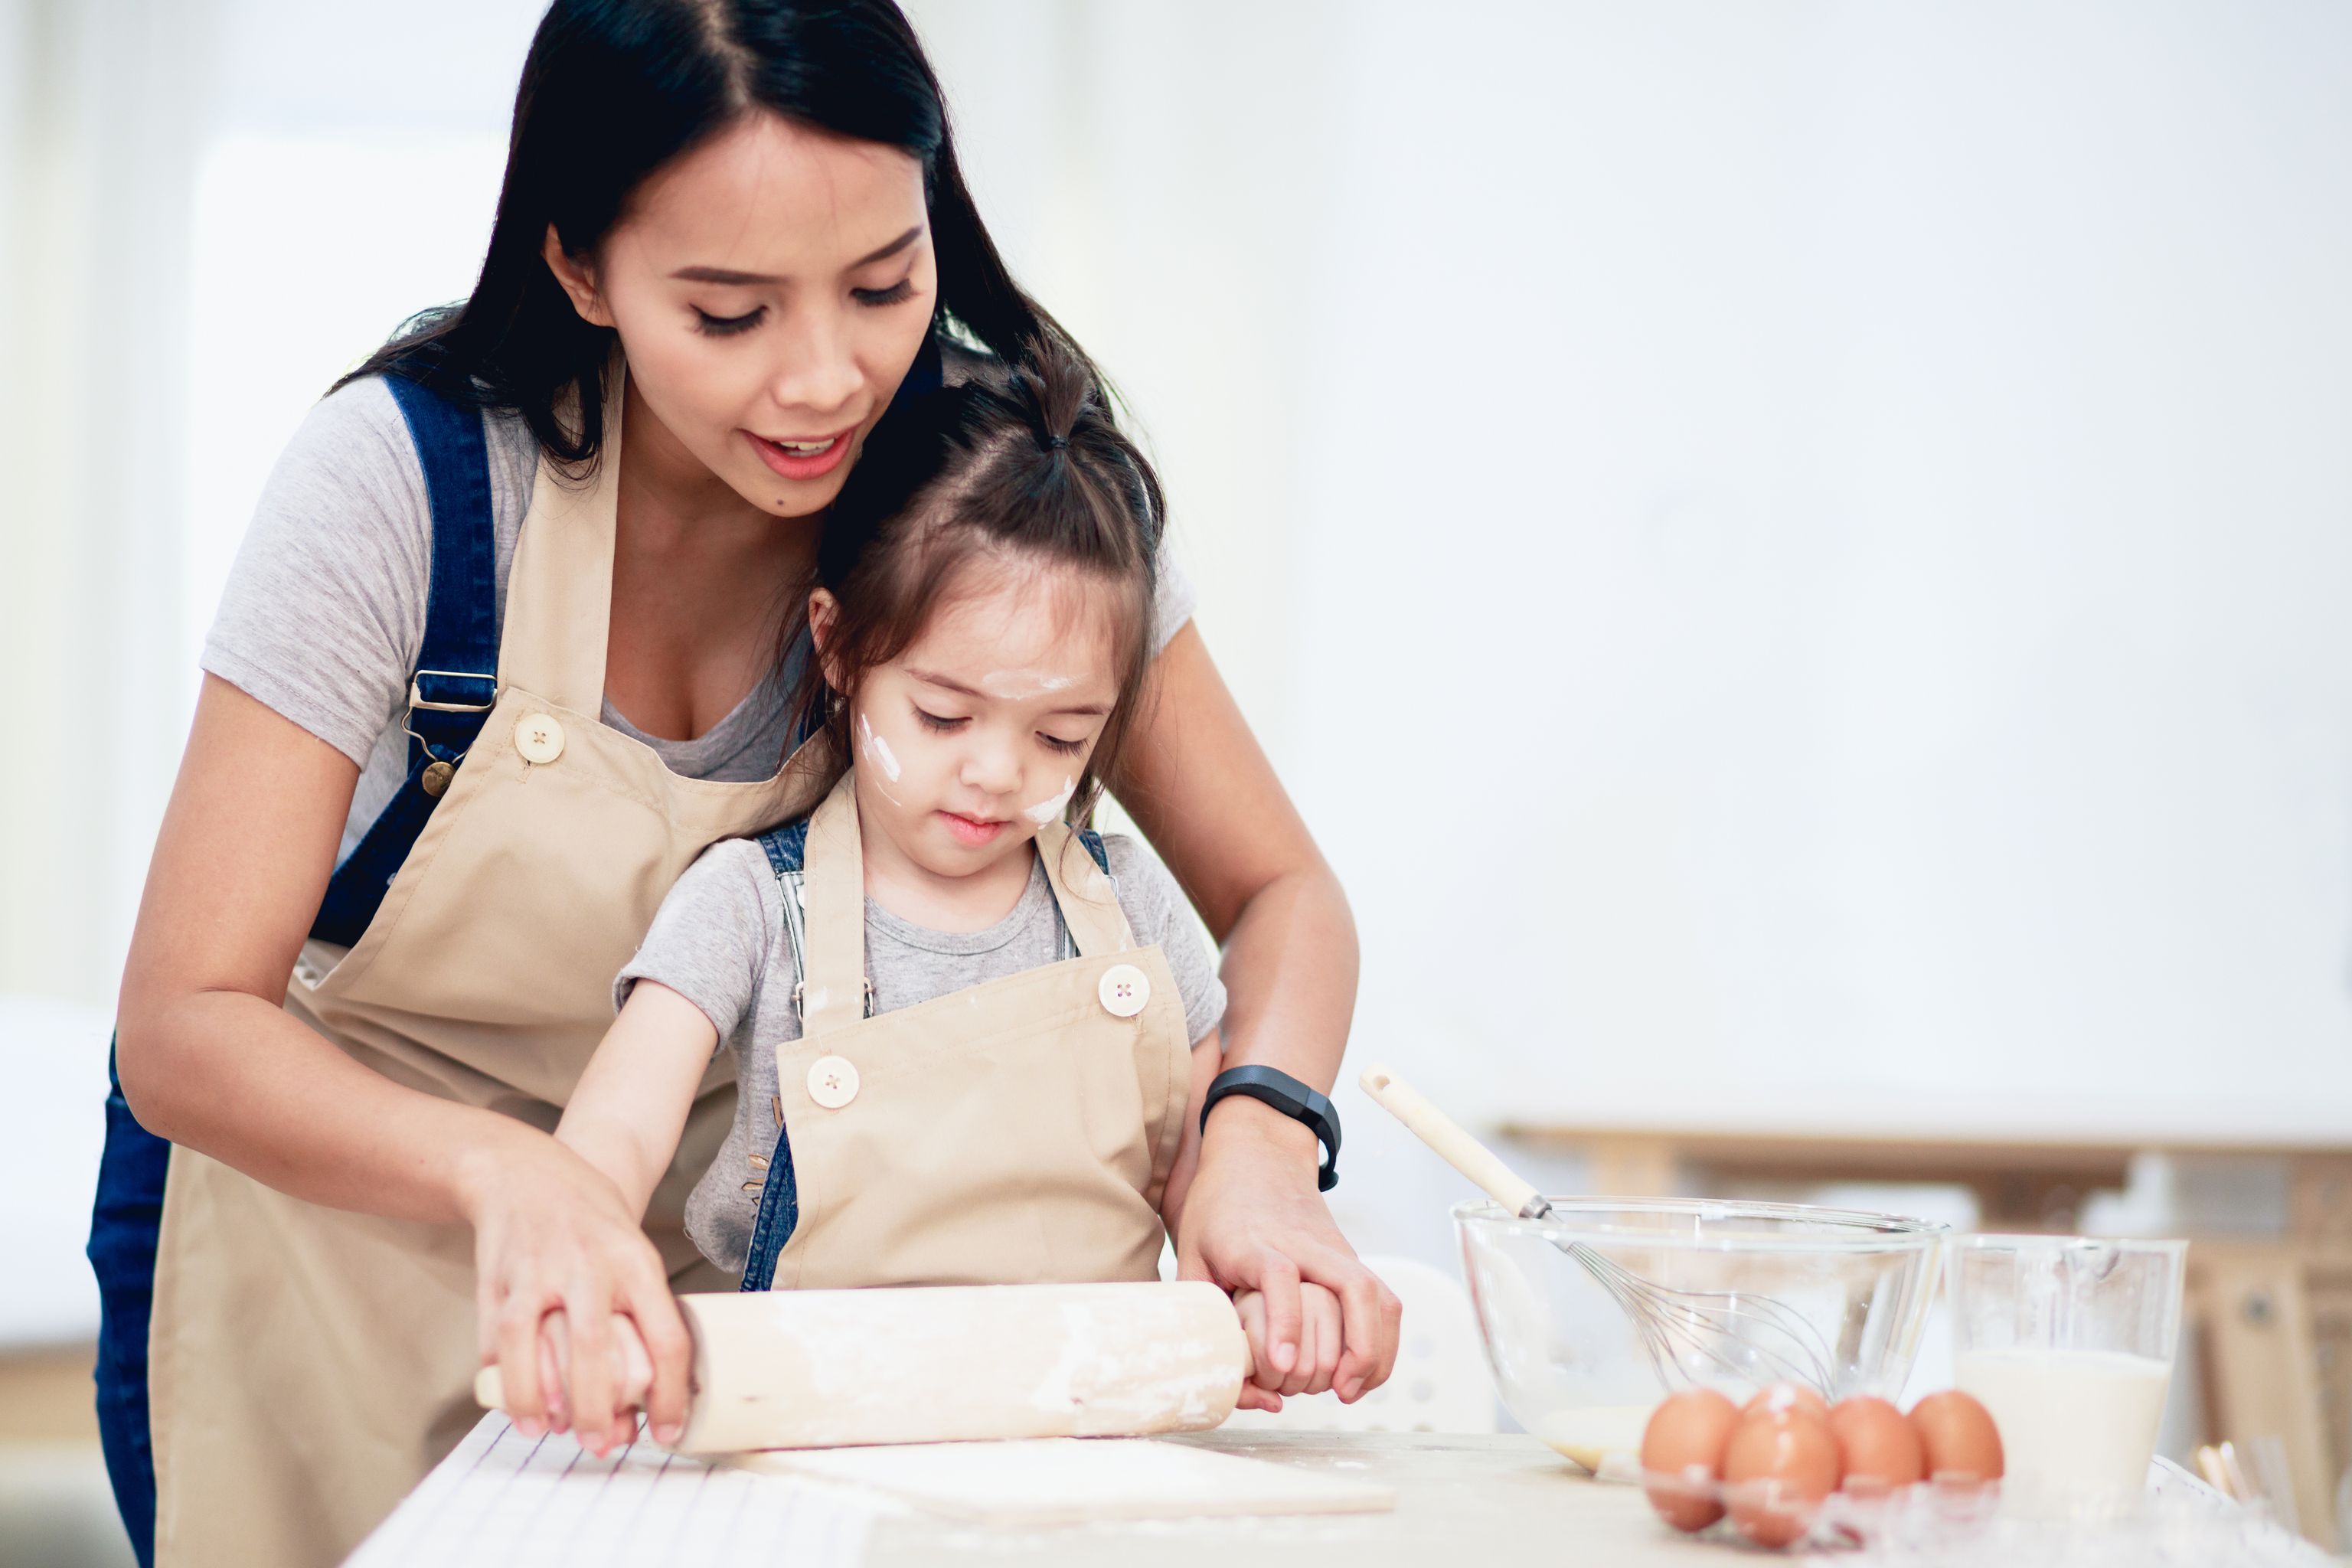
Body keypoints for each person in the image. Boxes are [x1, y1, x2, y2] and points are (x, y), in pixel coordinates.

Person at [92, 4, 1396, 1566]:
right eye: (730, 313)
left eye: (883, 284)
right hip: (333, 1268)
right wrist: (518, 1174)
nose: (827, 379)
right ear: (581, 267)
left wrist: (1257, 1144)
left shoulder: (1002, 497)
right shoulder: (408, 486)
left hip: (735, 1326)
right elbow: (183, 1020)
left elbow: (1280, 894)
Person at [539, 338, 1348, 1439]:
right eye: (944, 716)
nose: (998, 773)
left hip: (1100, 1453)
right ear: (839, 648)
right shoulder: (747, 906)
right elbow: (612, 1144)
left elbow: (1210, 1190)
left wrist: (1273, 1293)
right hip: (819, 1442)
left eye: (1064, 735)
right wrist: (583, 1269)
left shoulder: (1130, 920)